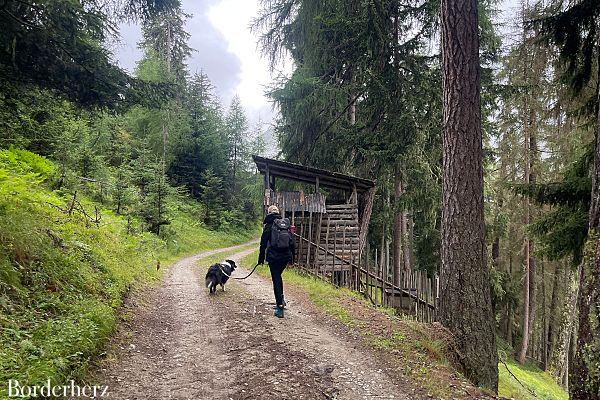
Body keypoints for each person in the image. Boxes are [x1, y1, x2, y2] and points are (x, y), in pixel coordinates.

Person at [258, 205, 295, 318]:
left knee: (276, 280)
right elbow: (292, 242)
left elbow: (263, 243)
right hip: (285, 257)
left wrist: (260, 259)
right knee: (278, 277)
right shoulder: (285, 224)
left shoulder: (269, 225)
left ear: (269, 213)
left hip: (274, 257)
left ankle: (279, 307)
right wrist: (292, 258)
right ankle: (281, 300)